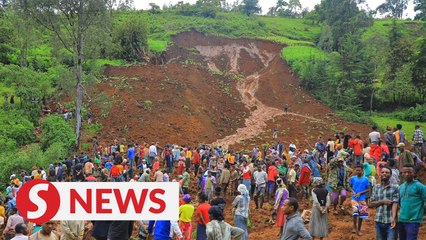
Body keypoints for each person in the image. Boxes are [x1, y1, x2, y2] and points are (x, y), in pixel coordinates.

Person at [369, 165, 399, 240]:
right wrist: (383, 201)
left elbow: (395, 203)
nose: (384, 174)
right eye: (382, 172)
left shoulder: (395, 187)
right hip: (379, 221)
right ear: (380, 174)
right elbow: (370, 203)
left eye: (387, 172)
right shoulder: (376, 187)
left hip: (390, 221)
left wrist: (393, 218)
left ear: (391, 175)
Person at [398, 164, 426, 240]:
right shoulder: (401, 187)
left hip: (413, 220)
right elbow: (399, 203)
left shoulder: (420, 187)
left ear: (414, 173)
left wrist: (422, 214)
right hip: (401, 219)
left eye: (409, 172)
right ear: (402, 173)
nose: (407, 174)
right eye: (405, 172)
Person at [349, 165, 370, 236]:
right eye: (356, 170)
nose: (358, 172)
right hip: (354, 198)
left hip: (362, 198)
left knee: (362, 215)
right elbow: (350, 187)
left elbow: (368, 189)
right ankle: (354, 227)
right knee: (355, 213)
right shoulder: (353, 178)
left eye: (359, 170)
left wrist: (360, 193)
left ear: (362, 171)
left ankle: (359, 228)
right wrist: (353, 192)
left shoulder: (366, 179)